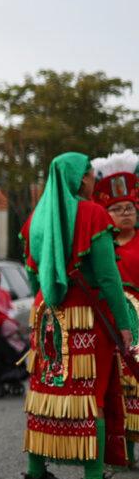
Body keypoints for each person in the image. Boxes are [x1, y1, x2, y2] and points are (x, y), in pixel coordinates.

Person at [21, 152, 137, 479]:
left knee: (46, 393)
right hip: (85, 317)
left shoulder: (35, 220)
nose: (90, 181)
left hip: (47, 317)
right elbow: (107, 277)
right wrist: (125, 322)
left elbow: (31, 275)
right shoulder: (91, 215)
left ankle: (36, 474)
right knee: (91, 394)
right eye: (88, 175)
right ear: (78, 179)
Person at [91, 150, 139, 460]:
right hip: (112, 324)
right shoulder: (102, 245)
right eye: (118, 209)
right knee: (118, 389)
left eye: (131, 208)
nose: (126, 213)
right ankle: (122, 450)